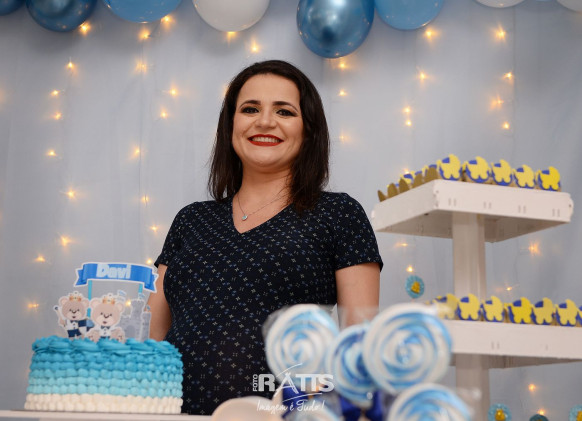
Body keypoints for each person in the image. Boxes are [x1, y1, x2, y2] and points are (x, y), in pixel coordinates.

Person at [147, 60, 383, 415]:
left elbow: (358, 354)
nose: (265, 121)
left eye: (284, 111)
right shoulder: (190, 220)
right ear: (231, 125)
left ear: (308, 130)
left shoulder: (339, 214)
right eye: (250, 109)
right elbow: (153, 342)